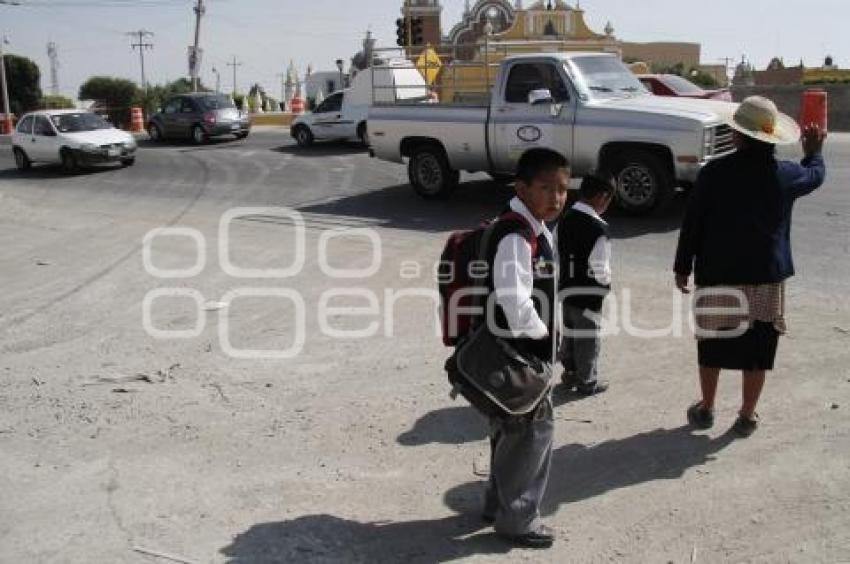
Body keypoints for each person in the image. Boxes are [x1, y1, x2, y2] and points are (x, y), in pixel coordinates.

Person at [674, 96, 827, 437]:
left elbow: (693, 223)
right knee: (759, 347)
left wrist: (682, 266)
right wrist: (814, 150)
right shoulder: (786, 175)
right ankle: (746, 415)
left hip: (718, 277)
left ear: (737, 134)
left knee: (712, 343)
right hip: (765, 278)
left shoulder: (713, 173)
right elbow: (815, 175)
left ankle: (707, 408)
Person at [481, 148, 569, 548]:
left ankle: (496, 502)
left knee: (509, 429)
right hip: (520, 354)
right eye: (546, 187)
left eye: (563, 189)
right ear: (522, 186)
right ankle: (517, 520)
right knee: (534, 431)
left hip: (513, 352)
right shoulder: (516, 235)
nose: (556, 197)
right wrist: (542, 339)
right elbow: (514, 303)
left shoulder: (533, 227)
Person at [556, 173, 615, 396]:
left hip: (567, 289)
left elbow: (555, 251)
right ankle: (587, 381)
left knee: (570, 333)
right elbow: (600, 267)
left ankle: (569, 372)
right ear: (602, 197)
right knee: (588, 339)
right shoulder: (599, 229)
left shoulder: (565, 219)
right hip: (589, 295)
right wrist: (605, 286)